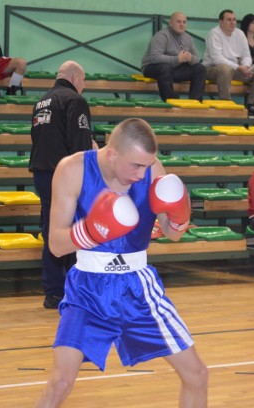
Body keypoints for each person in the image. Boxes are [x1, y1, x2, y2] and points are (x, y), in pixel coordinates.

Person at [35, 118, 208, 407]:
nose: (142, 175)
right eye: (136, 166)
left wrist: (179, 216)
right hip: (87, 289)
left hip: (139, 286)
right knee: (60, 382)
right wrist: (92, 230)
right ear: (112, 153)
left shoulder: (152, 169)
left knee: (197, 374)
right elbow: (55, 244)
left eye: (147, 165)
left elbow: (172, 233)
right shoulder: (73, 169)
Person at [28, 60, 98, 310]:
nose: (84, 86)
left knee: (52, 232)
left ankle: (53, 292)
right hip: (65, 177)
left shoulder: (41, 101)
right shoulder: (74, 101)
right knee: (74, 231)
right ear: (76, 78)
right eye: (84, 81)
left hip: (42, 174)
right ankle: (74, 290)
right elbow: (79, 144)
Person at [202, 9, 254, 116]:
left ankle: (253, 105)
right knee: (225, 68)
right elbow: (217, 59)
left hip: (235, 69)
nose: (232, 22)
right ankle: (226, 103)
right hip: (212, 69)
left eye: (234, 20)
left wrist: (246, 66)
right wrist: (239, 67)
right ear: (221, 22)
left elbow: (246, 55)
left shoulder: (239, 33)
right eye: (229, 20)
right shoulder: (214, 34)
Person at [141, 11, 207, 102]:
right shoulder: (161, 36)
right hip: (152, 67)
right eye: (178, 22)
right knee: (165, 68)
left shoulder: (188, 38)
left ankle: (195, 102)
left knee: (200, 68)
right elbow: (155, 58)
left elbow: (197, 58)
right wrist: (176, 59)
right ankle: (171, 100)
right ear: (170, 23)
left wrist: (190, 58)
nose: (182, 24)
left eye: (184, 22)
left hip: (174, 69)